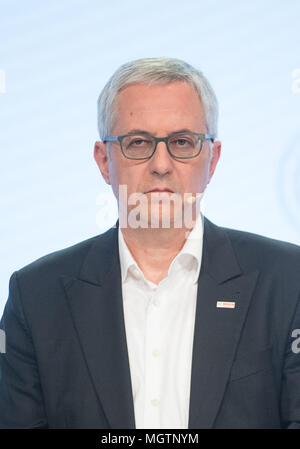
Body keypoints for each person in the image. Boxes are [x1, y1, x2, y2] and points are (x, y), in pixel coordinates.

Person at [0, 57, 300, 429]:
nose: (161, 163)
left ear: (213, 159)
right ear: (103, 161)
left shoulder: (288, 282)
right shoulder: (36, 297)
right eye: (138, 142)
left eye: (182, 142)